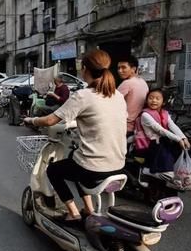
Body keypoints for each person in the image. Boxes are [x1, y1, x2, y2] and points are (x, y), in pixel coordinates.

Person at [23, 49, 127, 224]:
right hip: (119, 164)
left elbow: (49, 120)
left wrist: (31, 120)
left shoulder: (83, 96)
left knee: (54, 170)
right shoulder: (118, 96)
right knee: (75, 159)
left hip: (94, 168)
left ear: (85, 68)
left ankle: (73, 213)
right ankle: (88, 209)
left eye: (81, 67)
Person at [135, 88, 191, 180]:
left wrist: (184, 138)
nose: (154, 100)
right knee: (168, 174)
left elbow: (172, 126)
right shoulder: (145, 115)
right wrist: (178, 139)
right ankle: (146, 171)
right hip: (152, 145)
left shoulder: (165, 113)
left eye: (157, 98)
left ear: (163, 102)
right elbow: (160, 130)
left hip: (163, 142)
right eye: (151, 98)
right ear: (147, 100)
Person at [117, 55, 149, 134]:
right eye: (118, 68)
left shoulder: (127, 83)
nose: (120, 71)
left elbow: (111, 102)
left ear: (133, 69)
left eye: (123, 67)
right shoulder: (143, 82)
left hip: (125, 126)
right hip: (138, 126)